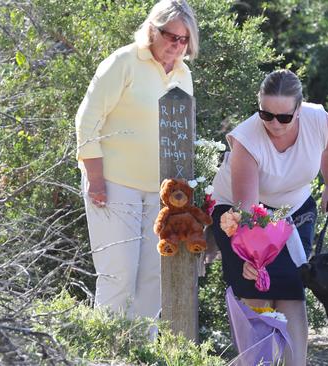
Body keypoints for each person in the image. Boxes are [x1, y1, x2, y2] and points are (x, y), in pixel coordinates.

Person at [74, 0, 199, 322]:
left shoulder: (184, 74)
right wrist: (96, 180)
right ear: (152, 30)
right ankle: (107, 350)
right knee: (118, 276)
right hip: (114, 186)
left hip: (161, 194)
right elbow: (86, 122)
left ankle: (140, 352)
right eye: (170, 35)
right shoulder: (123, 61)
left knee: (154, 278)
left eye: (183, 39)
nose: (176, 44)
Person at [210, 69, 328, 365]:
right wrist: (250, 258)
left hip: (295, 208)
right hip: (242, 215)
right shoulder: (246, 139)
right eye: (266, 115)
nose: (274, 124)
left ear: (299, 108)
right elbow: (246, 209)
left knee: (292, 291)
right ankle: (258, 362)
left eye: (284, 117)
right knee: (258, 288)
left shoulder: (318, 119)